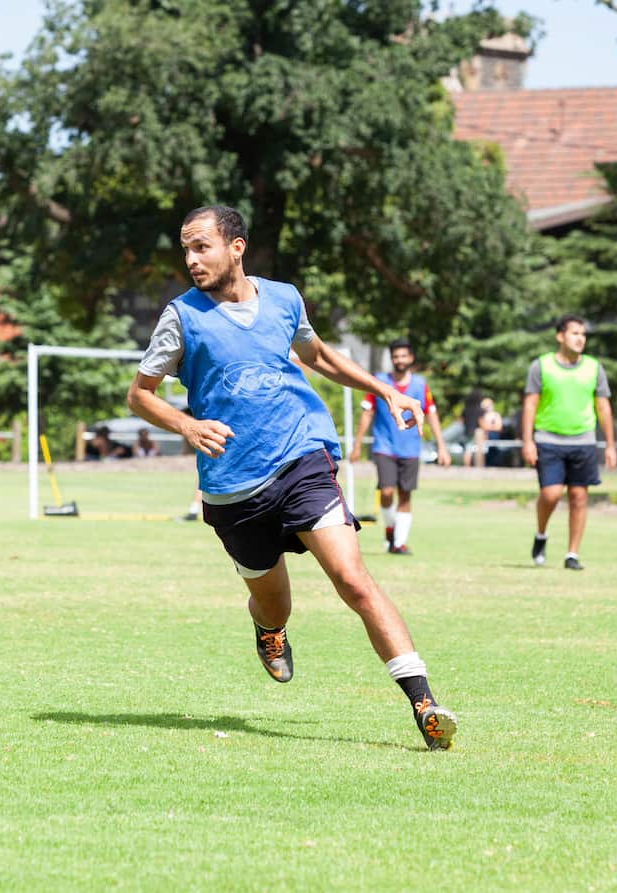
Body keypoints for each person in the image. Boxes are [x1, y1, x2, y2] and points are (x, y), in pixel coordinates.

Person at [128, 205, 457, 750]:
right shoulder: (181, 317)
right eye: (185, 249)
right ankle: (269, 630)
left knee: (353, 579)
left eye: (201, 247)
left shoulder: (284, 298)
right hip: (234, 487)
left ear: (236, 246)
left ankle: (425, 703)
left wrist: (386, 391)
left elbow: (319, 356)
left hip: (303, 457)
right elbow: (139, 394)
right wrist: (186, 424)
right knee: (275, 602)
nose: (191, 259)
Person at [521, 314, 617, 570]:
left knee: (578, 496)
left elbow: (604, 407)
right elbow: (530, 405)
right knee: (551, 494)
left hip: (583, 440)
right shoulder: (541, 366)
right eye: (575, 333)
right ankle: (541, 534)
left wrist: (610, 444)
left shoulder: (594, 368)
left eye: (583, 334)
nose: (580, 338)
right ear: (560, 336)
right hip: (548, 439)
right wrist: (527, 441)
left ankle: (572, 554)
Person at [349, 338, 451, 555]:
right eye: (396, 356)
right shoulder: (380, 382)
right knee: (386, 492)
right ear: (391, 359)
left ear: (411, 358)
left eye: (404, 356)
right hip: (384, 446)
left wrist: (442, 446)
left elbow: (431, 415)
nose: (400, 360)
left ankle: (399, 543)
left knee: (405, 495)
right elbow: (367, 413)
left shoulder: (421, 385)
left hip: (411, 448)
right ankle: (390, 527)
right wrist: (357, 444)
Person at [474, 397, 503, 468]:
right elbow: (483, 426)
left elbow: (499, 427)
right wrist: (491, 427)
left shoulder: (496, 415)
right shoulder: (481, 416)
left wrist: (489, 427)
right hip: (483, 438)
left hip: (493, 438)